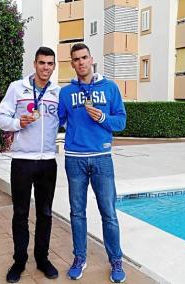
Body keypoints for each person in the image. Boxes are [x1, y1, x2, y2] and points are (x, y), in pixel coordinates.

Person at [58, 43, 127, 283]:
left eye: (84, 58)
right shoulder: (66, 93)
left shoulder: (110, 88)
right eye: (76, 59)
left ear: (91, 59)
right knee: (77, 213)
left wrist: (103, 118)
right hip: (74, 160)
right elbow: (56, 122)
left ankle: (116, 260)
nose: (81, 62)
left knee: (108, 213)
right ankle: (79, 258)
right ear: (72, 63)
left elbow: (121, 122)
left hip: (102, 159)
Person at [0, 47, 60, 283]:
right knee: (20, 213)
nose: (45, 67)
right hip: (22, 161)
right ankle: (19, 261)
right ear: (35, 64)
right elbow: (0, 118)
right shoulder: (17, 88)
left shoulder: (57, 92)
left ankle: (42, 259)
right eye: (42, 63)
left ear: (54, 66)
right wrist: (17, 123)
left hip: (47, 163)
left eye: (50, 63)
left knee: (45, 213)